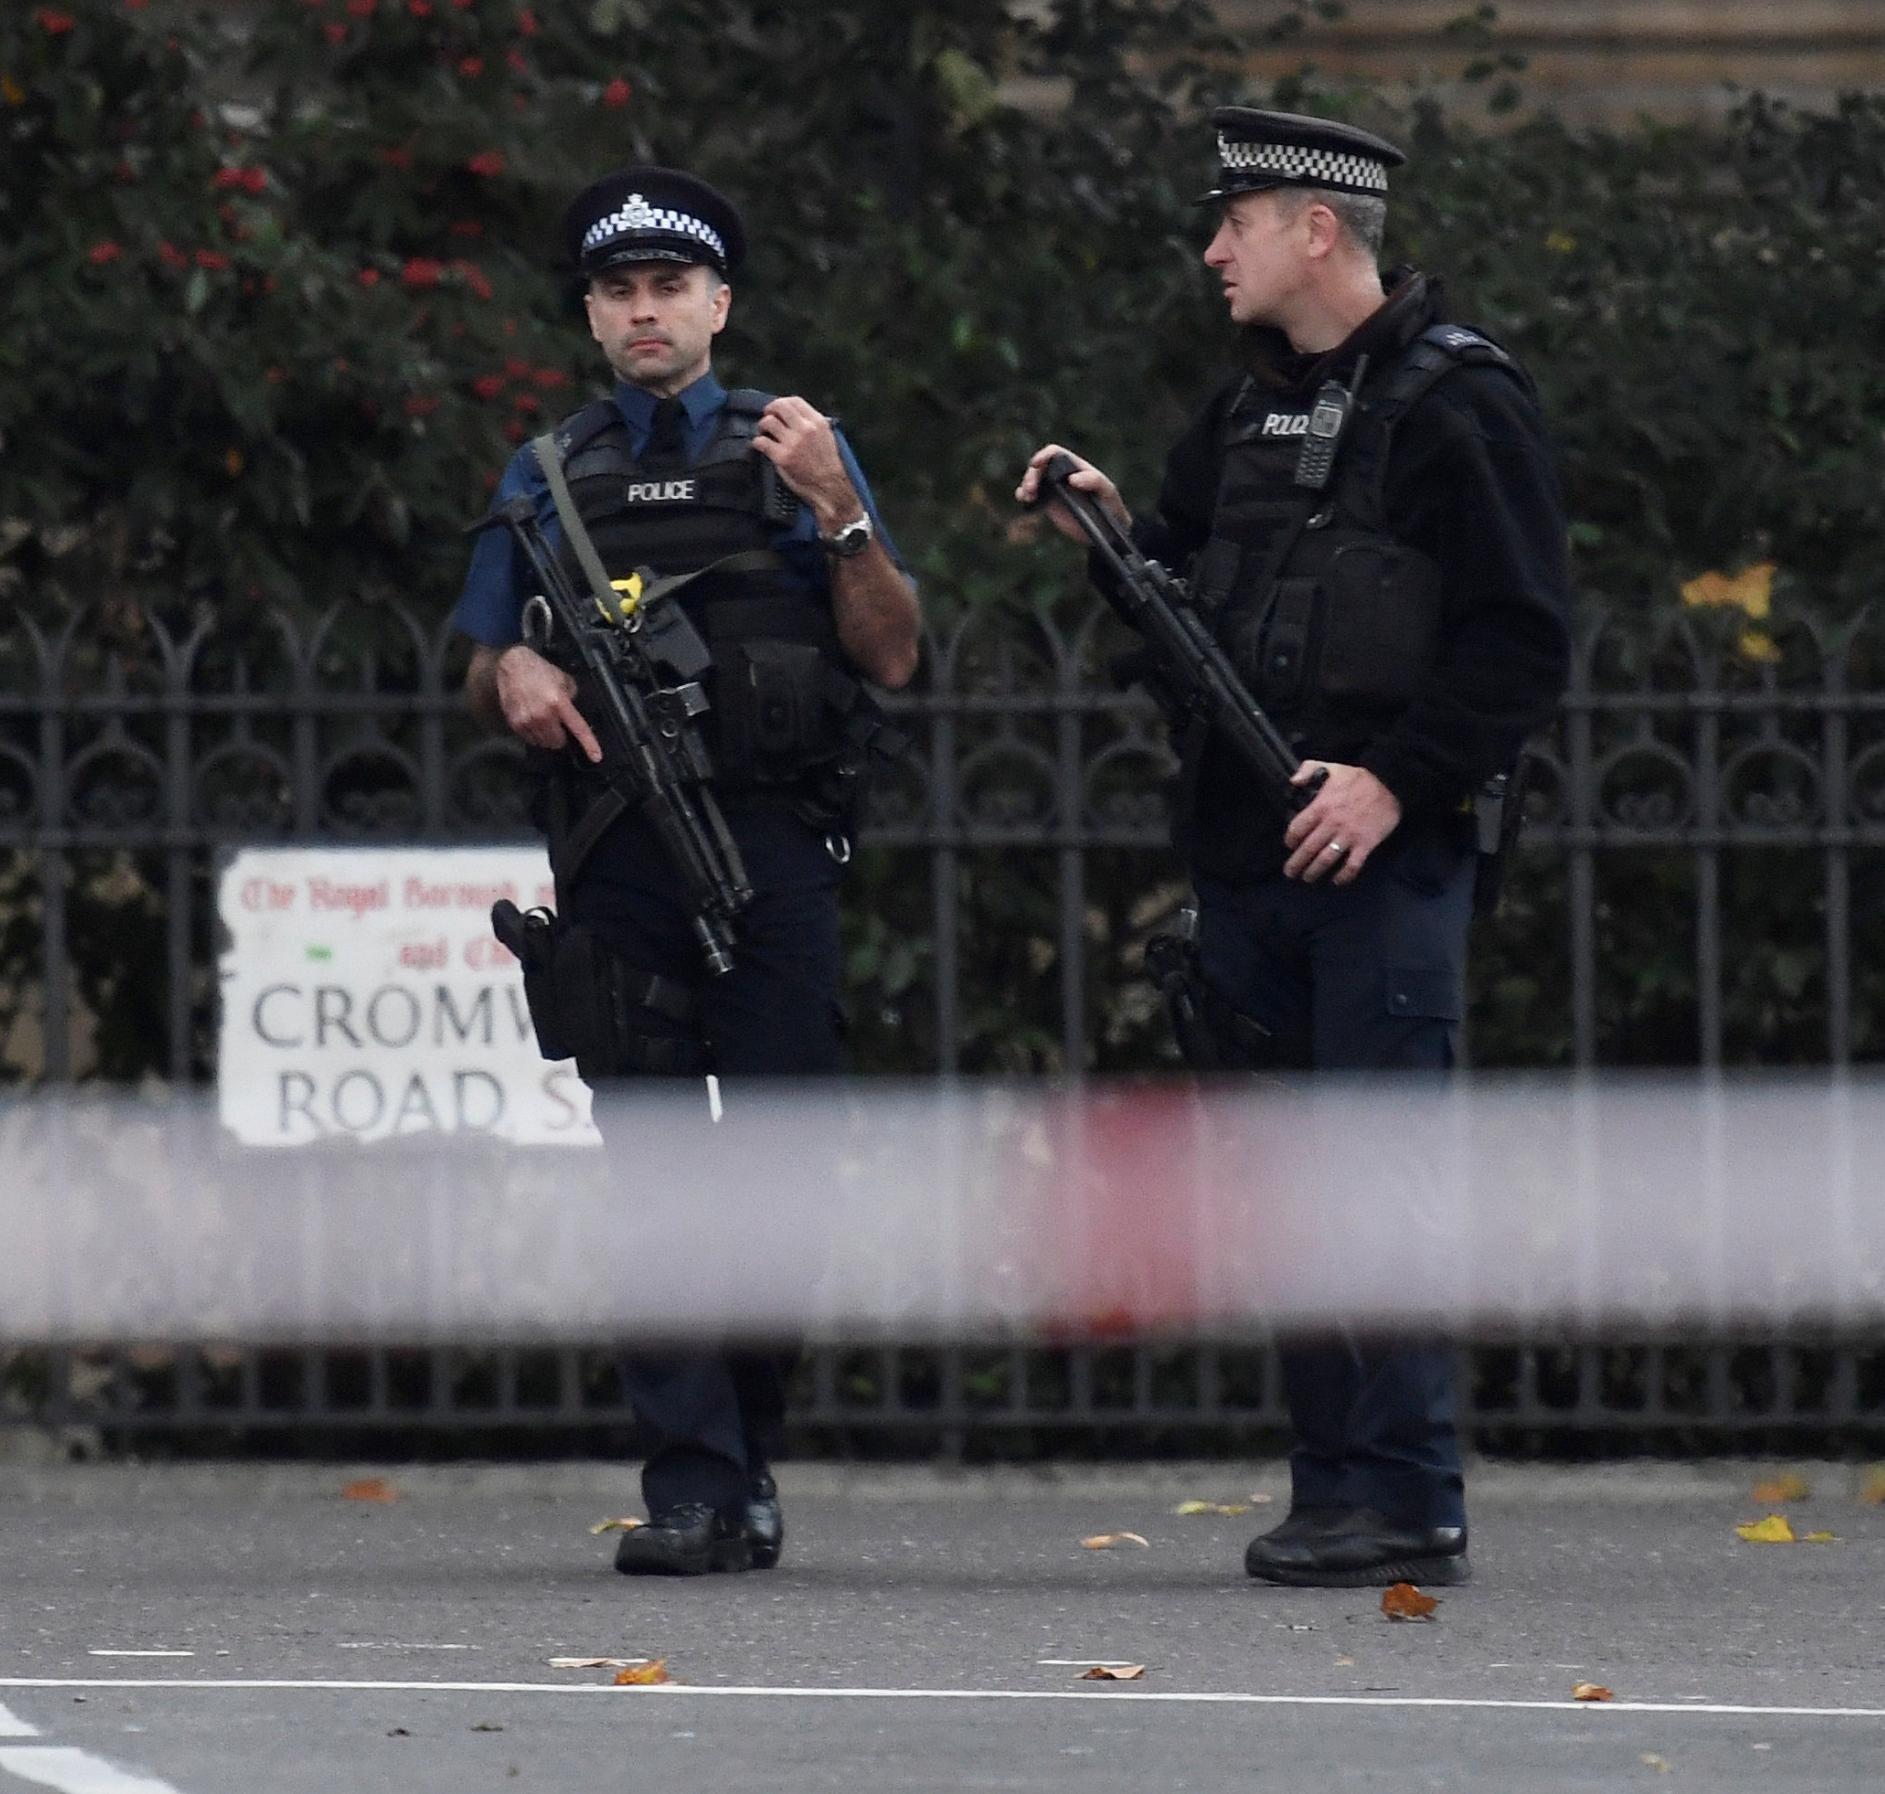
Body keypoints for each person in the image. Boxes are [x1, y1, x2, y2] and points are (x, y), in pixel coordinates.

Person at [1017, 107, 1571, 1588]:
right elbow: (1188, 599)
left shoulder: (1464, 405)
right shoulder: (1244, 414)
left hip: (1383, 869)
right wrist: (1114, 534)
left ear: (1316, 230)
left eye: (1236, 223)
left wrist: (1393, 783)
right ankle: (1333, 1485)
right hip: (1250, 862)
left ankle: (1410, 1495)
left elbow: (1520, 646)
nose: (1213, 250)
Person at [456, 166, 919, 1576]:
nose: (645, 310)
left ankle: (749, 1451)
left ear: (720, 304)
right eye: (620, 290)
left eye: (671, 287)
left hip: (772, 851)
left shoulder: (791, 447)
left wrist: (837, 507)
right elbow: (487, 658)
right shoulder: (546, 477)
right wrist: (519, 668)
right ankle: (689, 1484)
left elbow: (892, 652)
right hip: (619, 862)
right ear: (594, 316)